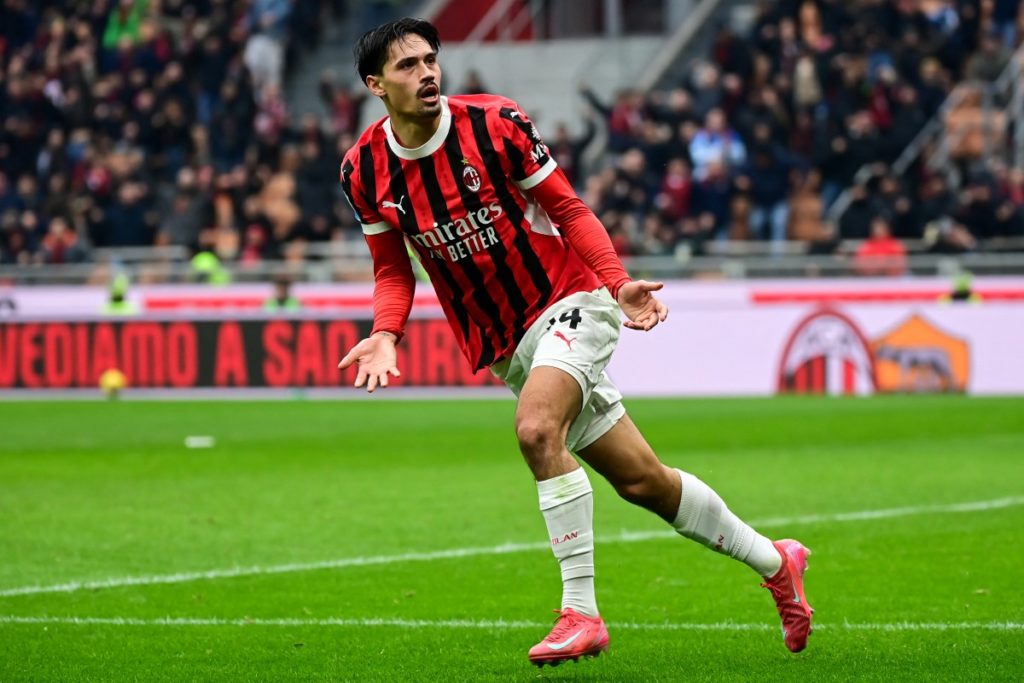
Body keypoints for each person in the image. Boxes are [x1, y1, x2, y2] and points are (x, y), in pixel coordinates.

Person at [337, 18, 814, 667]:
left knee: (536, 429)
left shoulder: (494, 125)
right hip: (507, 343)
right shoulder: (364, 168)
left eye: (431, 60)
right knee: (644, 481)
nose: (426, 73)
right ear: (375, 85)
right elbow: (393, 266)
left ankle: (580, 612)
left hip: (571, 301)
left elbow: (568, 208)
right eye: (407, 66)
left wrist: (617, 285)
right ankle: (776, 561)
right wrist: (385, 332)